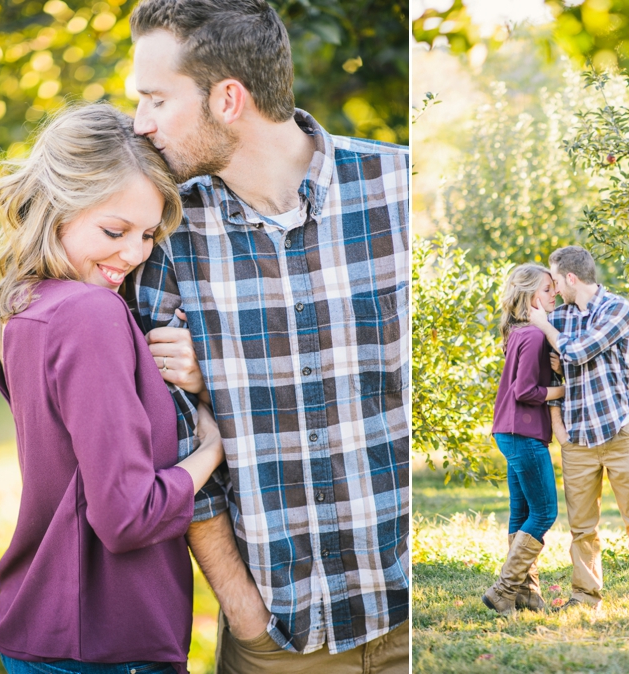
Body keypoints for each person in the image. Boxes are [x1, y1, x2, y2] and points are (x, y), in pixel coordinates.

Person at [126, 1, 410, 671]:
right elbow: (167, 435)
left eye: (156, 99)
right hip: (281, 641)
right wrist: (246, 615)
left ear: (228, 98)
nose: (140, 123)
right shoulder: (160, 232)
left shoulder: (401, 191)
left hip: (413, 618)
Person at [0, 104, 225, 674]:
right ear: (57, 206)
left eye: (148, 235)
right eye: (114, 231)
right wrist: (211, 448)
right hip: (108, 641)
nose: (134, 255)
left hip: (47, 631)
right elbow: (128, 516)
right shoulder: (92, 313)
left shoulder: (24, 306)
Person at [527, 245, 629, 611]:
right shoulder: (561, 319)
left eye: (555, 281)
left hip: (620, 431)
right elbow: (550, 370)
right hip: (576, 436)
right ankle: (585, 598)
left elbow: (575, 353)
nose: (553, 290)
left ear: (571, 278)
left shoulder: (618, 309)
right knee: (582, 527)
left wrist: (547, 331)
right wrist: (557, 424)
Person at [482, 264, 565, 616]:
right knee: (545, 511)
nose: (554, 294)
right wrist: (565, 388)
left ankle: (526, 593)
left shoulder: (519, 331)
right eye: (548, 289)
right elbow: (525, 390)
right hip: (523, 432)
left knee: (523, 512)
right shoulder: (533, 336)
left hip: (510, 431)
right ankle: (503, 590)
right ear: (532, 296)